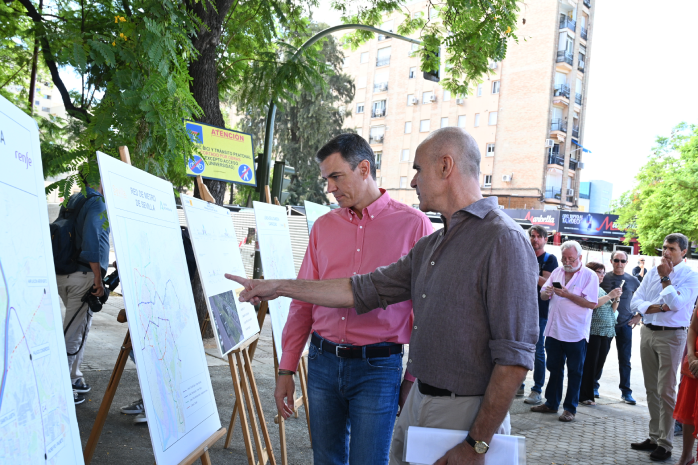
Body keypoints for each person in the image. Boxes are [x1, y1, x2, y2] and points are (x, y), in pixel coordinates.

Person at [226, 127, 539, 465]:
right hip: (420, 403)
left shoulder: (503, 239)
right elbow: (360, 289)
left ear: (446, 167)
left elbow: (515, 359)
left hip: (461, 412)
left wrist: (477, 444)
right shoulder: (434, 244)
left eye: (418, 169)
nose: (414, 181)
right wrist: (279, 287)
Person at [273, 133, 432, 464]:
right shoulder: (323, 227)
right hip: (321, 363)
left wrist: (413, 379)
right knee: (326, 460)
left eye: (336, 176)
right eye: (326, 179)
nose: (329, 188)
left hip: (378, 369)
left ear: (364, 169)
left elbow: (427, 312)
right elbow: (303, 301)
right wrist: (286, 369)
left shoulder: (414, 225)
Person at [630, 233, 698, 462]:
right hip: (648, 332)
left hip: (672, 336)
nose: (666, 252)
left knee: (666, 390)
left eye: (671, 249)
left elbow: (677, 304)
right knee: (651, 389)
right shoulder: (652, 271)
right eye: (664, 247)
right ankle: (654, 436)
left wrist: (666, 280)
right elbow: (635, 301)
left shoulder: (690, 276)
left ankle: (666, 444)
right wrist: (656, 307)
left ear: (684, 252)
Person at [530, 241, 598, 422]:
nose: (567, 261)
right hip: (554, 330)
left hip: (575, 333)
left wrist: (568, 295)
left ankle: (570, 409)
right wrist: (548, 292)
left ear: (580, 258)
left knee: (575, 372)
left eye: (571, 258)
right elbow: (543, 295)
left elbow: (592, 304)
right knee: (554, 369)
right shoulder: (557, 272)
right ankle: (551, 403)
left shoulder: (589, 276)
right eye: (564, 258)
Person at [55, 179, 109, 405]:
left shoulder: (73, 199)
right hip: (83, 276)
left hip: (63, 273)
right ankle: (61, 388)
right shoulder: (96, 202)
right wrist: (98, 278)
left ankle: (74, 377)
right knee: (73, 332)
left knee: (80, 326)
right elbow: (91, 242)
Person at [522, 225, 559, 405]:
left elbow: (548, 284)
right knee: (519, 347)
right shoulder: (523, 255)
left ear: (545, 239)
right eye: (532, 236)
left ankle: (536, 389)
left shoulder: (549, 259)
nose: (535, 239)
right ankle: (518, 384)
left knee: (538, 351)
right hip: (521, 309)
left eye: (538, 236)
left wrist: (530, 271)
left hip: (541, 311)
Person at [599, 250, 641, 404]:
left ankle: (626, 391)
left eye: (622, 261)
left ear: (627, 263)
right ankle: (594, 385)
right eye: (616, 260)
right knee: (600, 356)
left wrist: (639, 316)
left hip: (625, 324)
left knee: (625, 360)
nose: (619, 264)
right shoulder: (604, 278)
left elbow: (645, 297)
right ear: (611, 261)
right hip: (605, 323)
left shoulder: (632, 280)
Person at [579, 262, 621, 406]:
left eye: (603, 272)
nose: (602, 275)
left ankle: (587, 392)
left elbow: (612, 310)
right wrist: (610, 295)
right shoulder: (588, 288)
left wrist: (616, 298)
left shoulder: (601, 289)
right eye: (599, 272)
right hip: (594, 331)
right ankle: (585, 395)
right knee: (590, 364)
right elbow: (594, 304)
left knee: (598, 364)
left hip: (606, 331)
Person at [672, 303, 698, 465]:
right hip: (694, 368)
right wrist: (691, 356)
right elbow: (693, 328)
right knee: (688, 413)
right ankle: (686, 456)